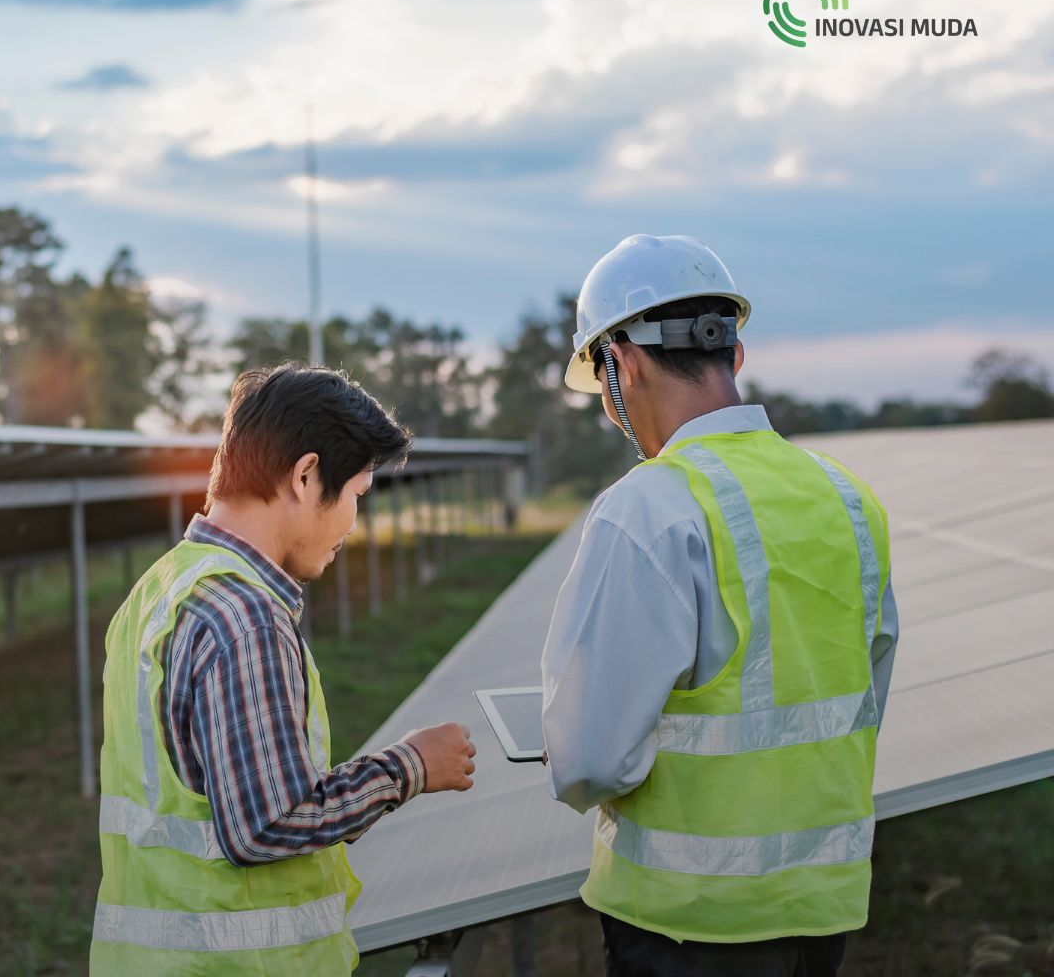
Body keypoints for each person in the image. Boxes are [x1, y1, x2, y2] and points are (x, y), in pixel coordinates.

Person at [541, 235, 899, 976]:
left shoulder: (649, 507)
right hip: (820, 912)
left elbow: (590, 761)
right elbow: (860, 694)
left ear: (622, 367)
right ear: (732, 356)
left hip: (685, 924)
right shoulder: (847, 497)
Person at [90, 363, 479, 975]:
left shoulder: (159, 589)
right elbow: (267, 823)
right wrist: (410, 767)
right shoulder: (244, 617)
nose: (353, 523)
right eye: (355, 495)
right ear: (305, 475)